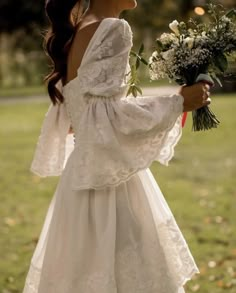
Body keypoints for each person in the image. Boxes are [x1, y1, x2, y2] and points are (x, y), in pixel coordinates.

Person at [22, 0, 211, 292]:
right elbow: (107, 117)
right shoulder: (113, 28)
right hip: (109, 184)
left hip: (81, 180)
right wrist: (179, 103)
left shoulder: (81, 27)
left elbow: (90, 112)